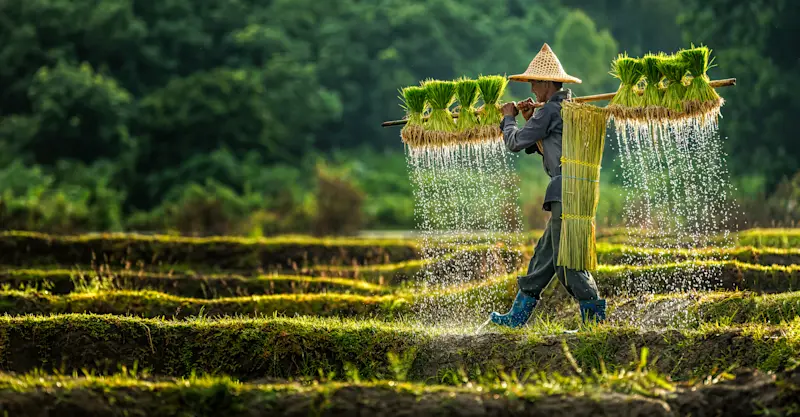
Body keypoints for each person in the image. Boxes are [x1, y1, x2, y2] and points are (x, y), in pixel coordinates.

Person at [489, 43, 606, 328]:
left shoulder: (551, 111)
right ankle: (517, 317)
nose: (531, 89)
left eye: (534, 82)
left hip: (565, 190)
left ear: (546, 83)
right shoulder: (567, 108)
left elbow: (515, 142)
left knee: (567, 261)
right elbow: (551, 149)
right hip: (576, 188)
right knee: (545, 255)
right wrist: (531, 119)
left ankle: (595, 322)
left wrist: (509, 118)